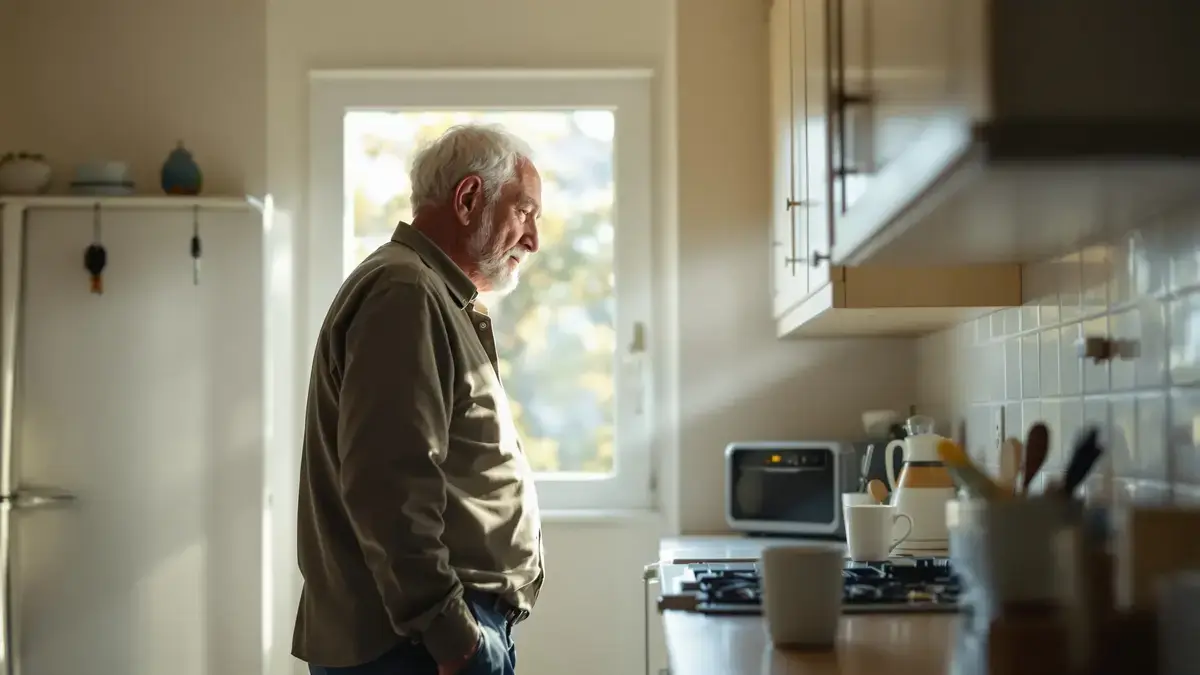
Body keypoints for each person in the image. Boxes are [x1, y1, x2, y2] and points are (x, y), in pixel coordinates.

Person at [293, 124, 546, 675]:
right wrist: (452, 636)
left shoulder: (425, 291)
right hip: (412, 649)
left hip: (420, 641)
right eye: (525, 212)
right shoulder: (405, 292)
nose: (533, 240)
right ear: (469, 198)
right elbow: (390, 482)